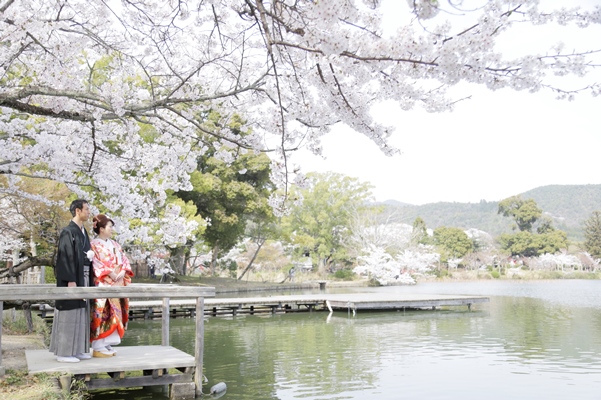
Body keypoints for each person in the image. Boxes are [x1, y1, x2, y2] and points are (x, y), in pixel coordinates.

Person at [49, 199, 93, 363]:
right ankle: (64, 352)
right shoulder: (68, 232)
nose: (89, 212)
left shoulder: (83, 231)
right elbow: (65, 258)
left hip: (84, 276)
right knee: (70, 312)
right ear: (77, 210)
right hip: (73, 277)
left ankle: (78, 349)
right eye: (86, 209)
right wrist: (70, 280)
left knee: (82, 311)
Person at [89, 214, 134, 358]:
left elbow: (124, 260)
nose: (112, 229)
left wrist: (122, 271)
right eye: (109, 227)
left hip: (117, 283)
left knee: (115, 313)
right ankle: (98, 345)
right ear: (101, 229)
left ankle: (107, 343)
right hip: (104, 283)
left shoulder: (115, 244)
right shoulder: (94, 245)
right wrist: (110, 273)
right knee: (103, 313)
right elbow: (96, 263)